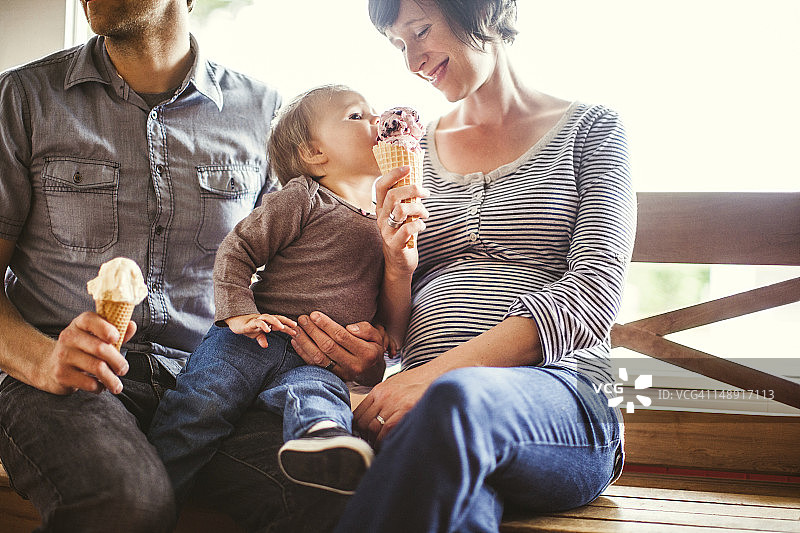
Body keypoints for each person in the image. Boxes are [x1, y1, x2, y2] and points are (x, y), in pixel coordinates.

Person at [286, 0, 637, 531]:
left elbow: (593, 295)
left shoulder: (591, 131)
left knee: (453, 403)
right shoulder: (411, 150)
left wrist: (431, 378)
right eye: (399, 45)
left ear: (482, 10)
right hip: (422, 419)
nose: (412, 61)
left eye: (421, 31)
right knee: (455, 507)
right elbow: (398, 338)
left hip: (562, 401)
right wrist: (397, 265)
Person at [0, 0, 326, 531]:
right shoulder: (22, 99)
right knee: (127, 503)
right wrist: (42, 359)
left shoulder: (267, 114)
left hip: (214, 386)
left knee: (330, 495)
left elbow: (292, 282)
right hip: (57, 385)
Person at [148, 84, 411, 501]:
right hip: (253, 338)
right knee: (203, 403)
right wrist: (238, 312)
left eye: (374, 112)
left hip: (317, 360)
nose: (378, 121)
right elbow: (238, 249)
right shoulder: (303, 198)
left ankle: (326, 448)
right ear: (313, 153)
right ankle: (150, 498)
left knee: (319, 399)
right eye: (357, 116)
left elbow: (387, 318)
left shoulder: (384, 223)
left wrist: (383, 333)